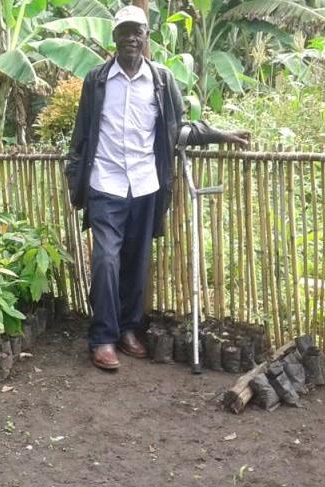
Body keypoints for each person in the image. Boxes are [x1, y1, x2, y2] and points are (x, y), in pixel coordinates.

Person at [66, 5, 249, 371]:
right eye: (125, 32)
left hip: (146, 183)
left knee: (136, 261)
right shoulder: (97, 80)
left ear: (147, 37)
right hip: (105, 182)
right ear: (114, 38)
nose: (132, 38)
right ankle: (102, 337)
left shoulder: (162, 80)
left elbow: (178, 127)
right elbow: (82, 133)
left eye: (139, 32)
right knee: (105, 259)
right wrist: (75, 176)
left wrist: (218, 134)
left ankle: (128, 329)